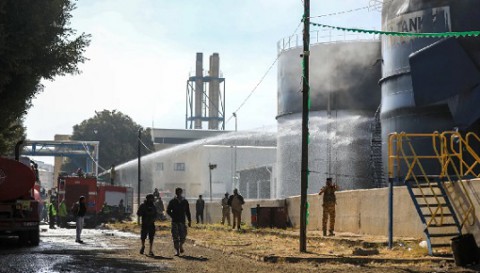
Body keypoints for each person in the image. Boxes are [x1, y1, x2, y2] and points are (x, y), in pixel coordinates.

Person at [166, 187, 191, 256]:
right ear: (176, 193)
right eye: (178, 192)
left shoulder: (185, 201)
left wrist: (189, 221)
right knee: (175, 236)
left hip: (182, 221)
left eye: (180, 192)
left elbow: (187, 212)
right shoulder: (173, 201)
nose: (179, 193)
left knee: (183, 235)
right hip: (175, 221)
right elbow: (168, 210)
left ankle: (180, 245)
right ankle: (177, 250)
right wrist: (173, 216)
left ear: (181, 193)